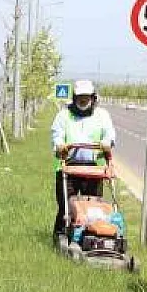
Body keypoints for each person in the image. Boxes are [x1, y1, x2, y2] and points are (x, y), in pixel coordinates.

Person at [50, 79, 116, 241]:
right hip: (68, 168)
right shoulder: (64, 115)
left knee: (93, 207)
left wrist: (107, 144)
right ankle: (61, 236)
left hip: (94, 169)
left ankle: (90, 237)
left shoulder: (102, 115)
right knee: (66, 207)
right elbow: (56, 136)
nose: (83, 100)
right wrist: (60, 146)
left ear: (93, 98)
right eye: (80, 97)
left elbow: (109, 134)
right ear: (74, 97)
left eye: (86, 97)